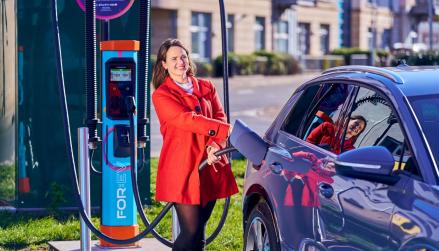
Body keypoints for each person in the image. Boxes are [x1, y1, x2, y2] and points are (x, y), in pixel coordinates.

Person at [151, 38, 238, 251]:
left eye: (183, 56)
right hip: (183, 167)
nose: (180, 62)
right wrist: (225, 130)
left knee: (199, 231)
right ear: (164, 64)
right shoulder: (162, 95)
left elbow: (219, 115)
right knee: (190, 231)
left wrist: (214, 146)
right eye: (173, 58)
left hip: (210, 163)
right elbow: (187, 119)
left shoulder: (206, 87)